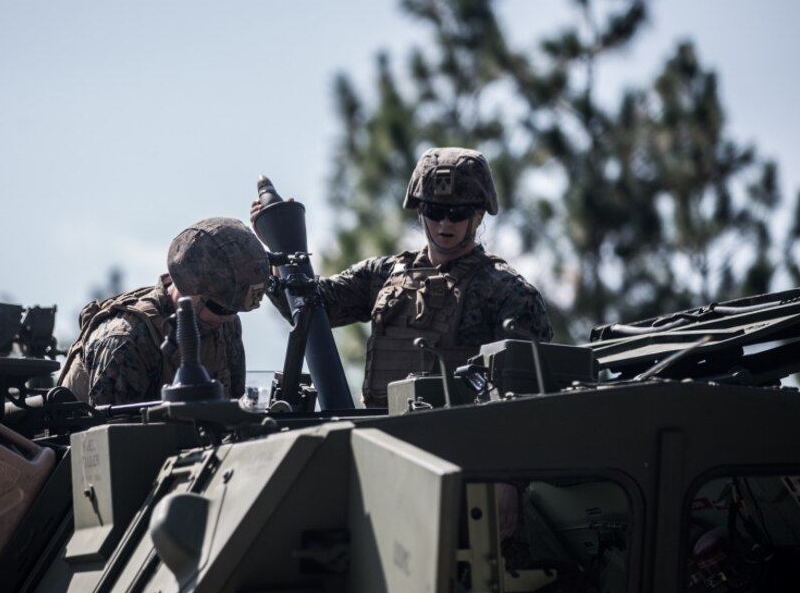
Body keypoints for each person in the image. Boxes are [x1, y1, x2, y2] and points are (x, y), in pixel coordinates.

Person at [254, 146, 552, 408]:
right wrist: (279, 245)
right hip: (382, 439)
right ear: (420, 212)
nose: (444, 223)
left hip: (467, 450)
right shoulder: (382, 275)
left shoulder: (509, 293)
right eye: (435, 211)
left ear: (478, 215)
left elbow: (529, 399)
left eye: (457, 213)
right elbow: (307, 309)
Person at [58, 217, 269, 407]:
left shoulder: (223, 323)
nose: (229, 317)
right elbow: (109, 439)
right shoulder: (126, 339)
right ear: (188, 286)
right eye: (220, 307)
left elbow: (234, 408)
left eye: (237, 310)